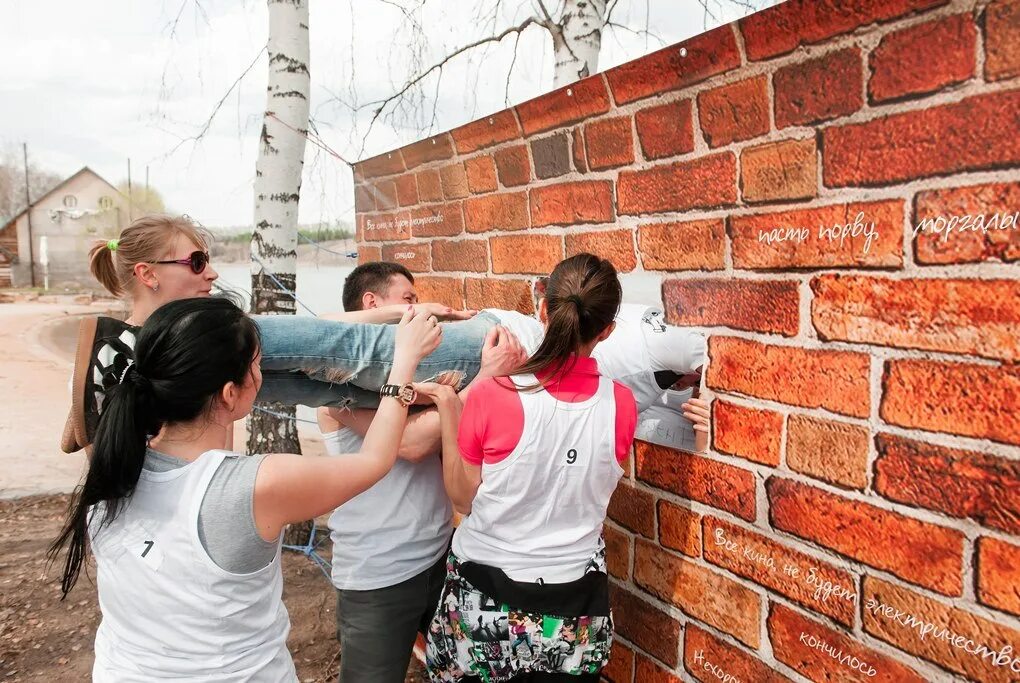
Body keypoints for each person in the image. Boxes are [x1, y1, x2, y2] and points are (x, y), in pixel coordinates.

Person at [48, 296, 442, 681]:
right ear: (229, 394)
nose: (263, 376)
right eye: (258, 367)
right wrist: (403, 361)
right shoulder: (253, 486)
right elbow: (372, 462)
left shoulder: (111, 468)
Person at [62, 214, 495, 454]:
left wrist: (398, 312)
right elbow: (332, 344)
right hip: (491, 346)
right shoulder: (203, 332)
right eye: (196, 262)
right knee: (340, 367)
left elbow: (318, 335)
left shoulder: (138, 365)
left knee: (321, 388)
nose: (211, 272)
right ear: (147, 274)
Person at [420, 253, 637, 682]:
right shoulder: (622, 405)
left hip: (485, 605)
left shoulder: (493, 396)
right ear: (607, 330)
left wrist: (448, 407)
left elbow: (462, 496)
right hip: (575, 610)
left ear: (542, 309)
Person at [317, 262, 526, 683]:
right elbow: (410, 444)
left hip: (440, 558)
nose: (422, 311)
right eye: (409, 300)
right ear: (373, 304)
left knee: (468, 668)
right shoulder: (334, 390)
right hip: (379, 573)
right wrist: (483, 379)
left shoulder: (417, 379)